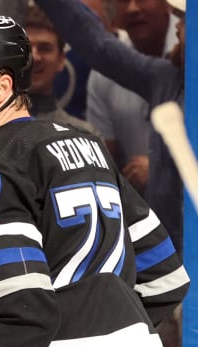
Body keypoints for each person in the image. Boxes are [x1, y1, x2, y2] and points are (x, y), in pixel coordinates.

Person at [0, 14, 190, 347]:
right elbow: (167, 277)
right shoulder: (88, 147)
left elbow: (16, 303)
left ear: (1, 88)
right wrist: (106, 339)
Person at [33, 0, 187, 256]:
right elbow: (98, 46)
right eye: (180, 19)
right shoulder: (165, 79)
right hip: (169, 258)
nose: (179, 28)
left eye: (185, 20)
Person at [86, 0, 178, 195]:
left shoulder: (190, 56)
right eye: (123, 1)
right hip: (135, 208)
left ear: (167, 4)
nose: (132, 8)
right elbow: (103, 161)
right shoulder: (105, 72)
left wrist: (160, 172)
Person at [24, 5, 98, 135]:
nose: (34, 57)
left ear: (61, 60)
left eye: (45, 48)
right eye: (26, 48)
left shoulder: (84, 136)